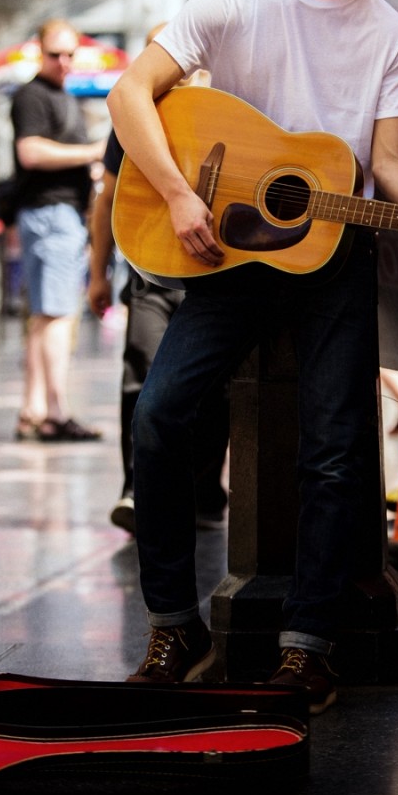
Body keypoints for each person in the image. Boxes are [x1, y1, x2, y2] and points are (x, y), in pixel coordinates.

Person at [107, 0, 398, 713]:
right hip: (225, 250)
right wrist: (177, 195)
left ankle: (306, 646)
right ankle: (174, 624)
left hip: (335, 260)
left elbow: (390, 163)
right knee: (163, 417)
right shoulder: (236, 2)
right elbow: (132, 93)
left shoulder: (390, 35)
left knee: (338, 450)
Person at [88, 120, 230, 536]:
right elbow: (107, 198)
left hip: (214, 274)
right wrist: (98, 273)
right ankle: (138, 490)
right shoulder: (137, 117)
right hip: (149, 275)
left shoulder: (224, 105)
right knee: (143, 374)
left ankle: (203, 493)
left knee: (215, 388)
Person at [11, 19, 107, 442]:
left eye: (70, 54)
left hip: (58, 215)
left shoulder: (60, 95)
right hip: (51, 215)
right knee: (57, 316)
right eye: (56, 54)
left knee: (45, 317)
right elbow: (30, 152)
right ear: (39, 51)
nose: (64, 62)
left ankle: (35, 409)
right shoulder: (33, 95)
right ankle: (55, 410)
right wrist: (92, 152)